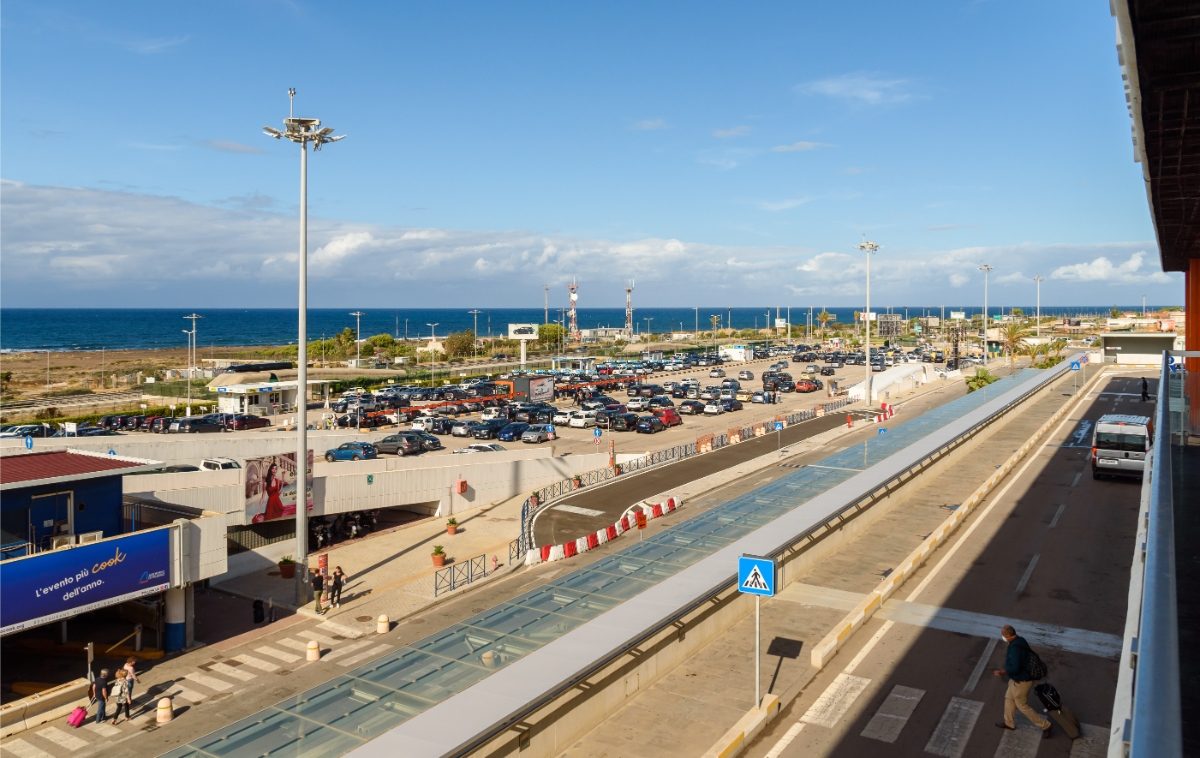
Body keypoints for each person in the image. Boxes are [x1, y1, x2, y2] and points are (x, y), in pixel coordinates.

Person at [991, 624, 1052, 737]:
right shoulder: (1020, 640)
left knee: (1021, 706)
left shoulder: (1015, 648)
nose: (1002, 637)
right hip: (1016, 680)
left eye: (1003, 635)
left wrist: (1003, 672)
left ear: (1008, 636)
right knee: (1009, 698)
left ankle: (1045, 725)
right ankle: (1009, 723)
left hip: (1021, 681)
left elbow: (1015, 668)